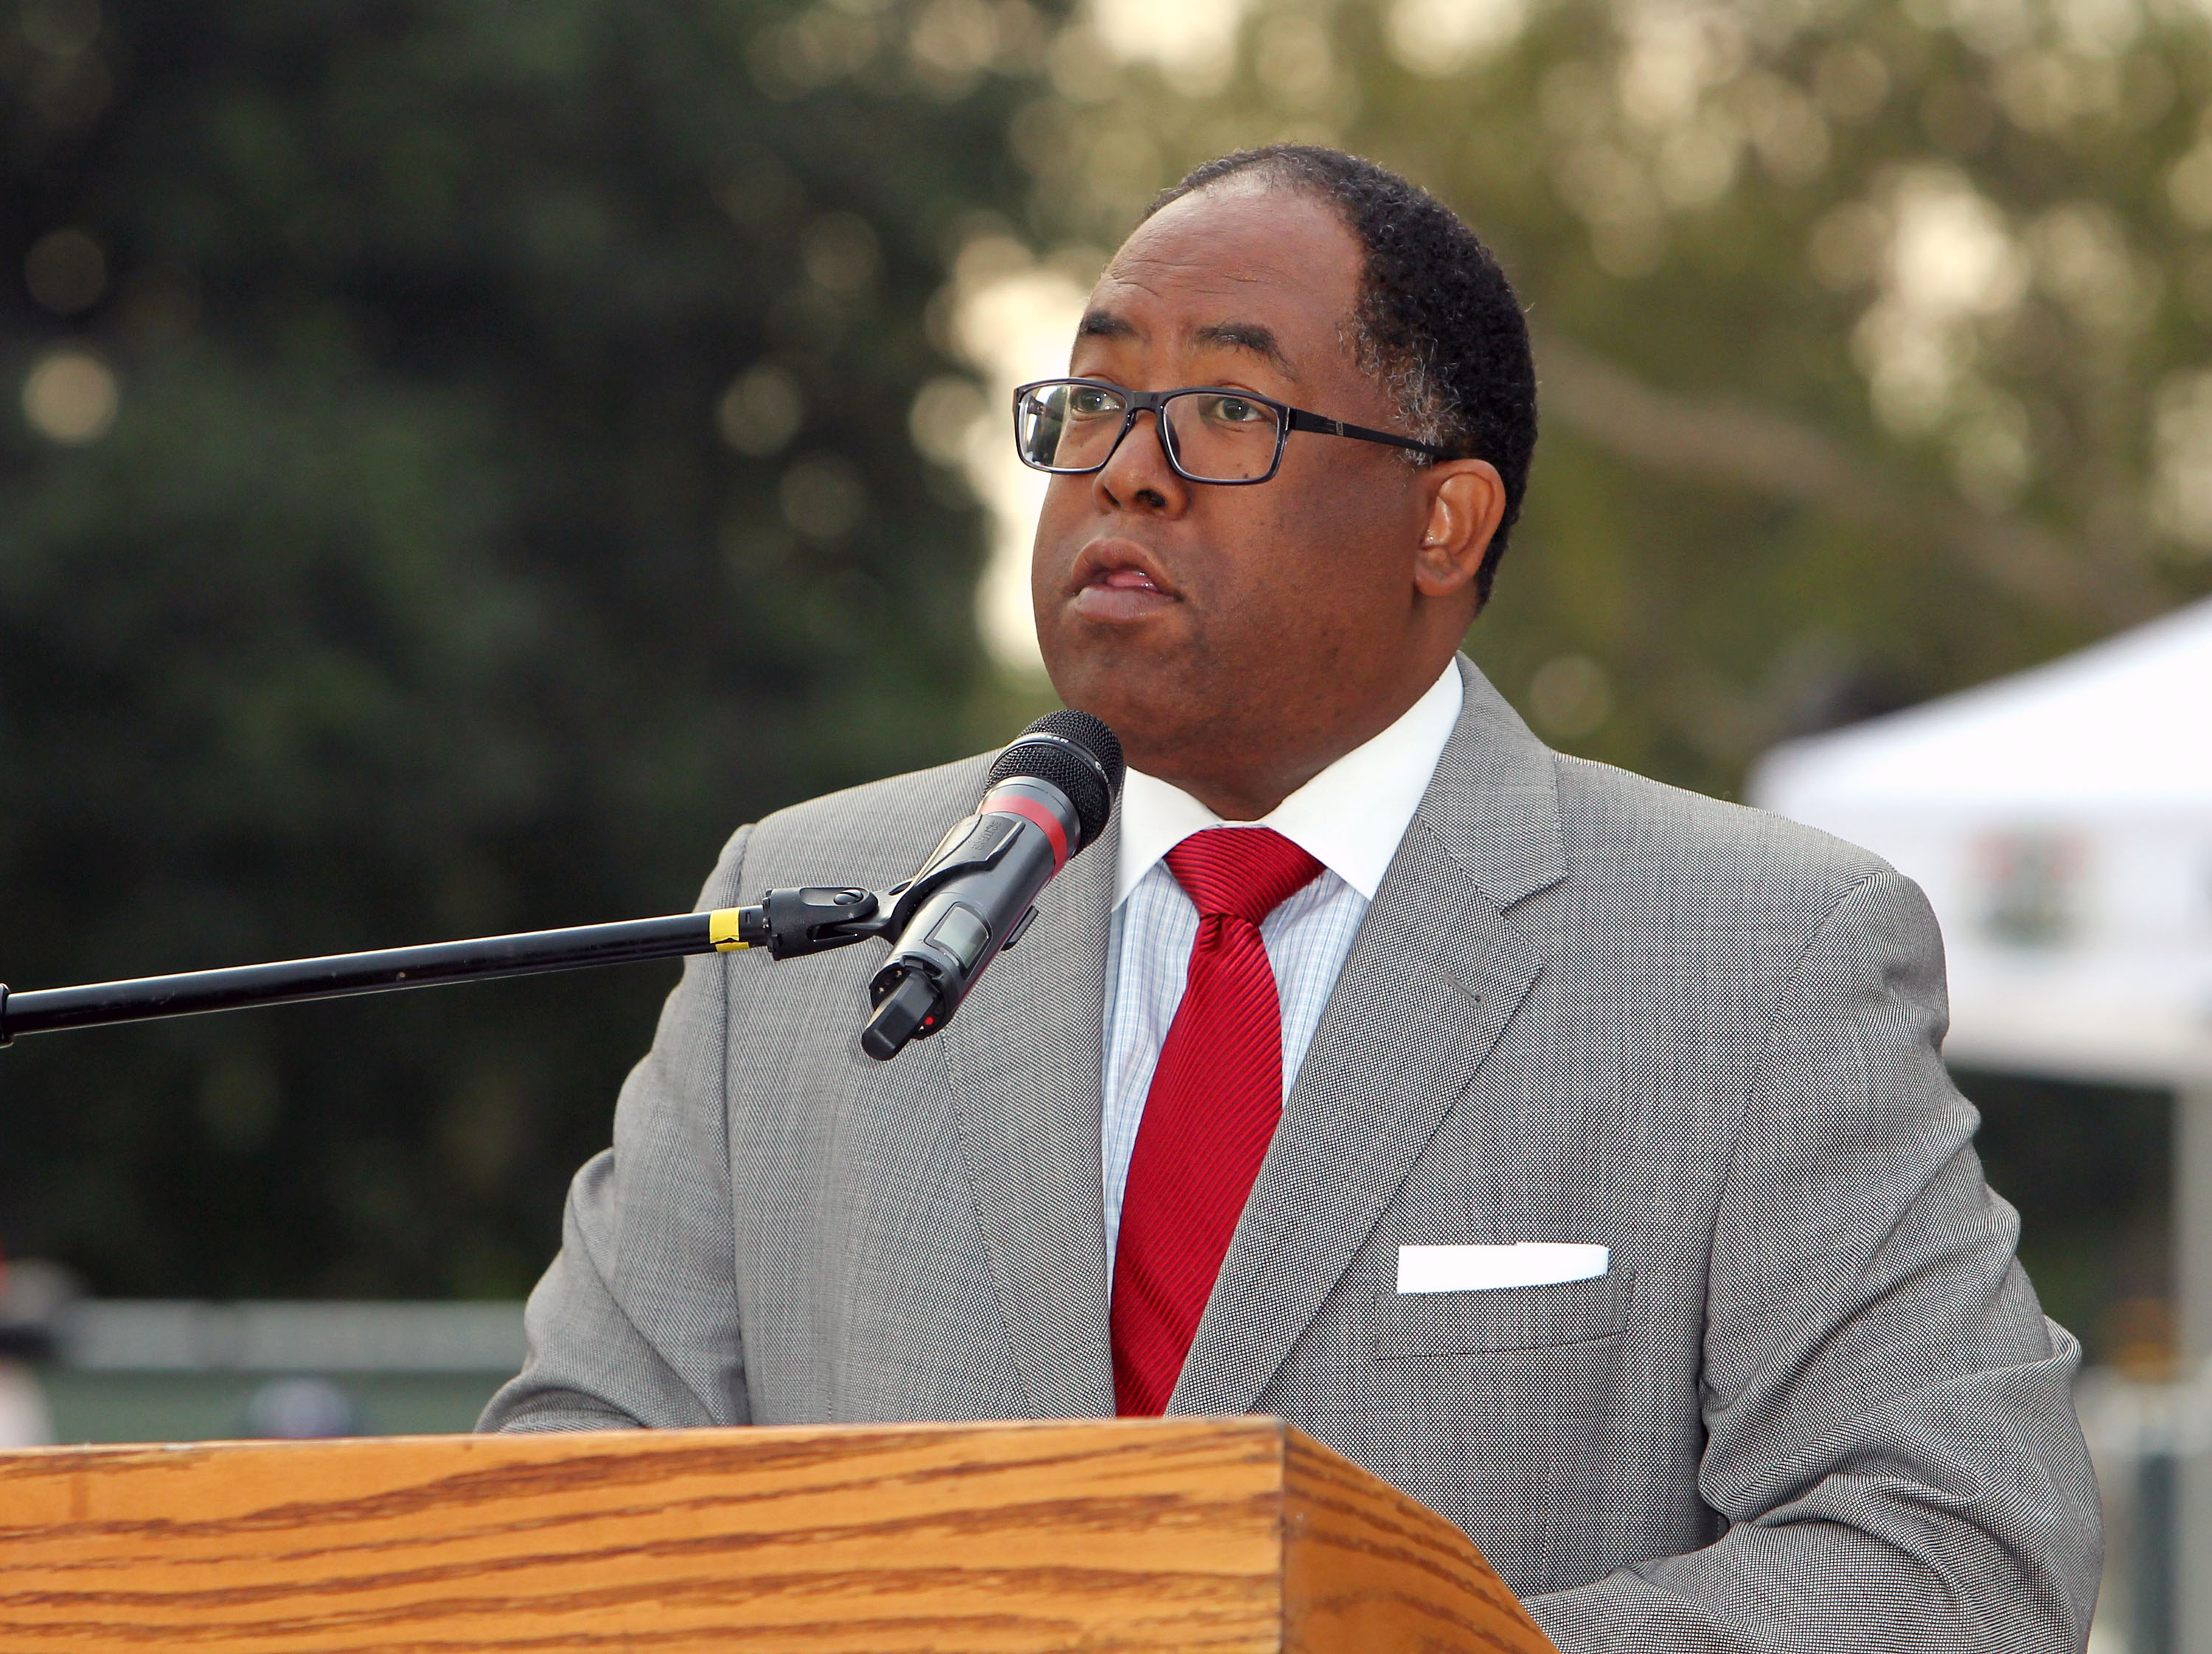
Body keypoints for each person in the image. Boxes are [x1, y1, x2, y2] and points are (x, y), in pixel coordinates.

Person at [484, 146, 2101, 1651]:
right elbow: (561, 1499)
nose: (1130, 473)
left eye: (1226, 416)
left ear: (1443, 519)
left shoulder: (1758, 957)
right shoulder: (802, 918)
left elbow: (1959, 1543)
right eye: (1098, 402)